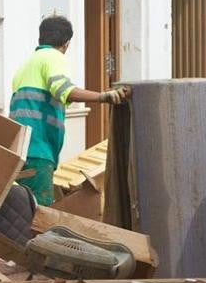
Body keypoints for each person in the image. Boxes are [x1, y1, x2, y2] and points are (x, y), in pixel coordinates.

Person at [10, 16, 130, 205]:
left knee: (23, 209)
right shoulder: (53, 58)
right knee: (40, 214)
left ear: (40, 38)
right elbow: (63, 90)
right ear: (66, 44)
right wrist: (102, 96)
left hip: (19, 151)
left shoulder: (27, 65)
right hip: (38, 150)